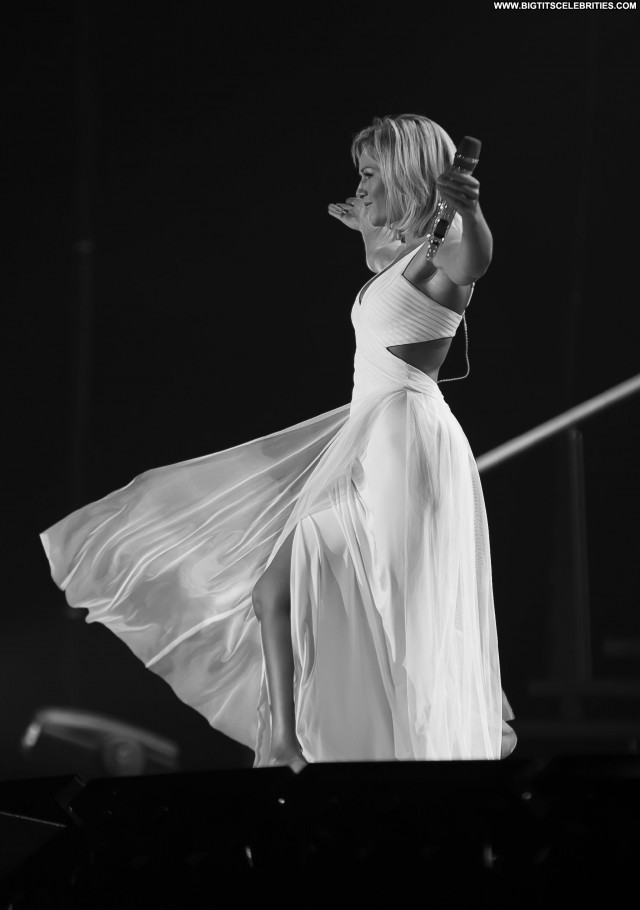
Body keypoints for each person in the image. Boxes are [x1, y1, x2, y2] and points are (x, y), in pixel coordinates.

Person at [40, 114, 516, 774]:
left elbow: (473, 263)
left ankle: (399, 762)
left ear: (405, 173)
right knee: (275, 588)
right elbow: (385, 270)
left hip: (406, 444)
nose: (359, 185)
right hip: (368, 439)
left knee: (399, 616)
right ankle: (288, 746)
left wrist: (470, 210)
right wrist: (369, 225)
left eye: (370, 174)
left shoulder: (449, 245)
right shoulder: (403, 256)